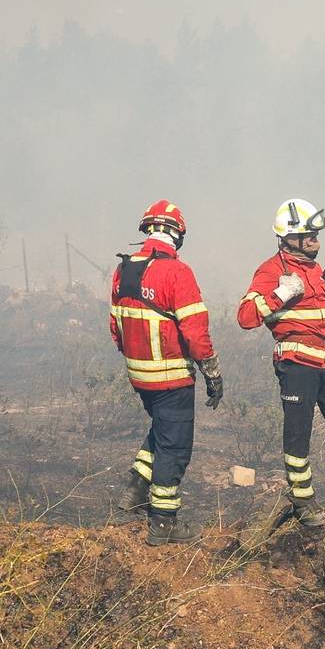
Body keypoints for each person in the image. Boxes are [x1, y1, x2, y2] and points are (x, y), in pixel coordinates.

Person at [236, 198, 325, 528]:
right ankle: (301, 497)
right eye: (310, 233)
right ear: (290, 236)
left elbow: (324, 318)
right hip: (297, 363)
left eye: (317, 233)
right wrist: (279, 295)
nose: (316, 239)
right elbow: (245, 317)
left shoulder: (314, 269)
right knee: (298, 431)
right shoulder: (271, 271)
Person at [109, 199, 222, 546]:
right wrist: (212, 372)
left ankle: (135, 487)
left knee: (162, 428)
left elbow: (116, 327)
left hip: (139, 376)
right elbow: (195, 331)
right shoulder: (177, 272)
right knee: (176, 446)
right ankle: (163, 523)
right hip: (171, 376)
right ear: (178, 235)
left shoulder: (123, 269)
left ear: (146, 230)